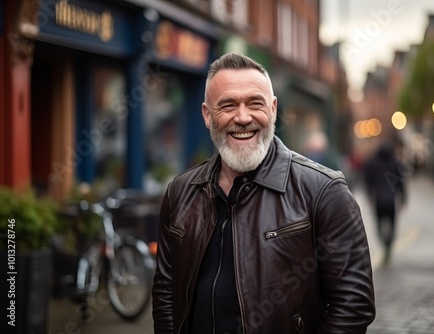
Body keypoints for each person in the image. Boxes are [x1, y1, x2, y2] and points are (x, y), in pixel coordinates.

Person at [152, 53, 375, 334]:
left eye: (254, 103)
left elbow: (353, 306)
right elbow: (166, 290)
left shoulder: (324, 191)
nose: (243, 117)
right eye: (228, 105)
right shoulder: (180, 192)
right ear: (208, 115)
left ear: (273, 109)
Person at [363, 143, 406, 264]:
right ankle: (389, 244)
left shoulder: (372, 163)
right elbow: (401, 182)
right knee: (392, 224)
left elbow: (367, 180)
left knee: (378, 224)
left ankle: (383, 242)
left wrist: (369, 195)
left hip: (378, 199)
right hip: (391, 200)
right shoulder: (395, 163)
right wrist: (403, 199)